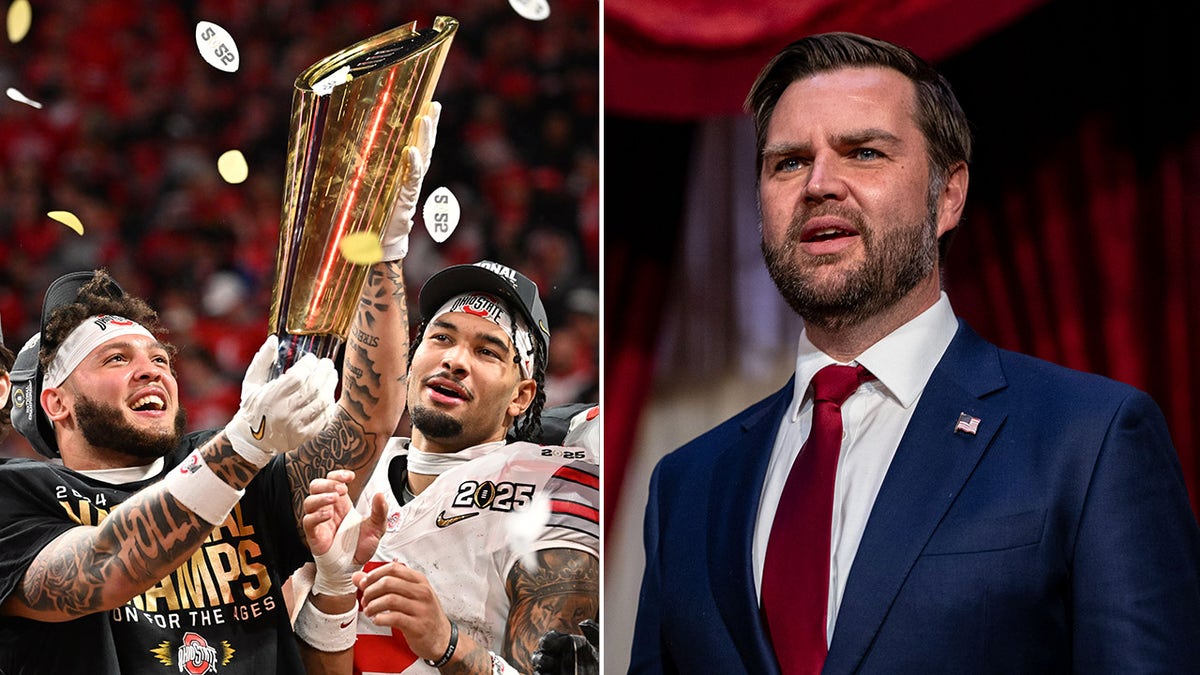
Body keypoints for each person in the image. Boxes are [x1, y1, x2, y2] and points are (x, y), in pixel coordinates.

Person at [628, 32, 1200, 674]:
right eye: (788, 161)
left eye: (864, 152)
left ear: (948, 194)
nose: (819, 184)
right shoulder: (687, 484)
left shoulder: (1090, 439)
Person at [0, 102, 438, 674]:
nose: (153, 369)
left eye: (159, 357)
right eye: (115, 358)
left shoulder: (237, 472)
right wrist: (246, 442)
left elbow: (367, 422)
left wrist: (382, 253)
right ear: (56, 402)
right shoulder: (19, 494)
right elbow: (103, 570)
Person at [291, 260, 600, 675]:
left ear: (521, 396)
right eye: (441, 337)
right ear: (413, 358)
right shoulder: (343, 475)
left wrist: (446, 643)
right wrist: (332, 587)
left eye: (487, 351)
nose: (455, 360)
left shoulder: (547, 485)